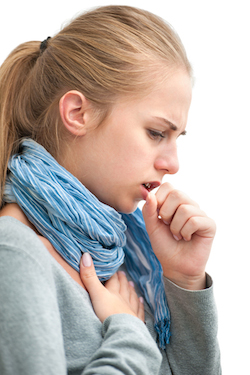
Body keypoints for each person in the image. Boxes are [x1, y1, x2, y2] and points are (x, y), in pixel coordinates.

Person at [0, 5, 221, 374]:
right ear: (77, 113)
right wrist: (130, 333)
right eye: (156, 133)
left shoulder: (127, 255)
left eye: (177, 138)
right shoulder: (15, 253)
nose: (173, 163)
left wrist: (183, 280)